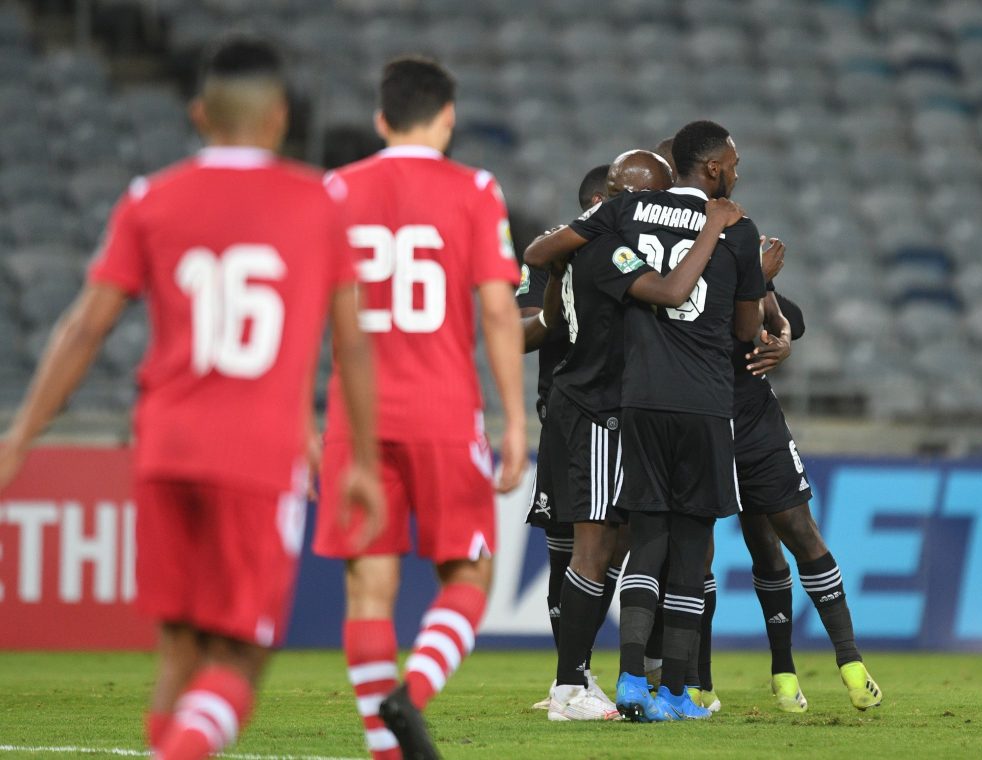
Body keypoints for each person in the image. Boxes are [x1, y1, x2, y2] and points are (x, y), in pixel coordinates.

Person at [0, 35, 383, 760]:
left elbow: (85, 324)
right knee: (241, 655)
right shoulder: (317, 202)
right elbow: (353, 343)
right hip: (258, 455)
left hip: (166, 448)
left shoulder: (153, 199)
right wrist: (360, 458)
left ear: (200, 114)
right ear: (277, 118)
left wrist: (20, 436)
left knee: (178, 645)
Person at [311, 57, 526, 760]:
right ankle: (413, 696)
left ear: (381, 120)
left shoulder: (337, 189)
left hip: (357, 420)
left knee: (369, 589)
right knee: (469, 576)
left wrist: (301, 421)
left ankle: (384, 745)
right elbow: (498, 312)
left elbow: (303, 312)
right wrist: (516, 421)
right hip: (441, 410)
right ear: (448, 118)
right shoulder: (475, 189)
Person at [525, 120, 771, 722]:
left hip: (609, 407)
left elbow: (544, 259)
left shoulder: (611, 237)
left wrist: (778, 324)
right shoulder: (614, 240)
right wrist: (716, 231)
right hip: (602, 408)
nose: (626, 200)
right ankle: (574, 686)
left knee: (625, 545)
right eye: (617, 190)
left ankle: (641, 680)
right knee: (599, 548)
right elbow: (669, 293)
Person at [653, 139, 883, 715]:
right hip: (698, 416)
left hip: (748, 416)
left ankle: (843, 663)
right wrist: (758, 296)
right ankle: (698, 682)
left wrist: (778, 329)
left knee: (788, 538)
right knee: (703, 554)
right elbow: (729, 325)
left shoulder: (732, 233)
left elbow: (789, 317)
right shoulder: (670, 245)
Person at [518, 164, 615, 714]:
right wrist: (562, 278)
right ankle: (571, 679)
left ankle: (583, 677)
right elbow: (522, 335)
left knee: (614, 548)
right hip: (567, 418)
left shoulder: (638, 250)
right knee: (569, 554)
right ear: (601, 202)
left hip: (627, 414)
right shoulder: (550, 252)